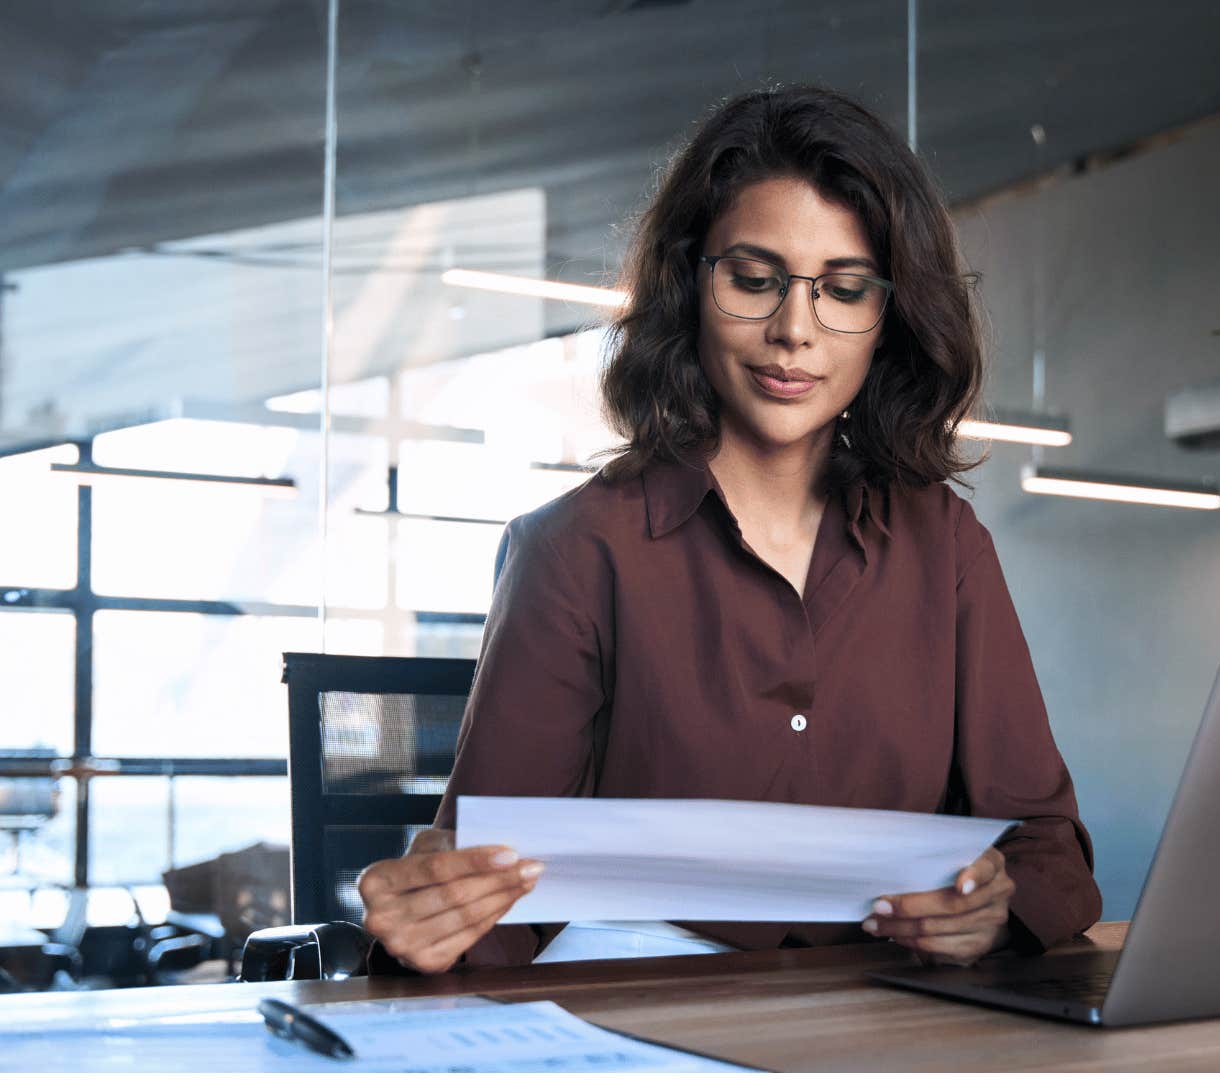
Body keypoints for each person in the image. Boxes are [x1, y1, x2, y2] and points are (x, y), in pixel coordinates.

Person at [356, 85, 1101, 975]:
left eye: (845, 289)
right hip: (644, 1005)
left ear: (887, 319)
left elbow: (1048, 848)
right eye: (754, 280)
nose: (795, 331)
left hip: (890, 1019)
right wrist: (430, 922)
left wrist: (993, 910)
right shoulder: (577, 550)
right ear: (690, 286)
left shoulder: (946, 548)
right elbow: (486, 895)